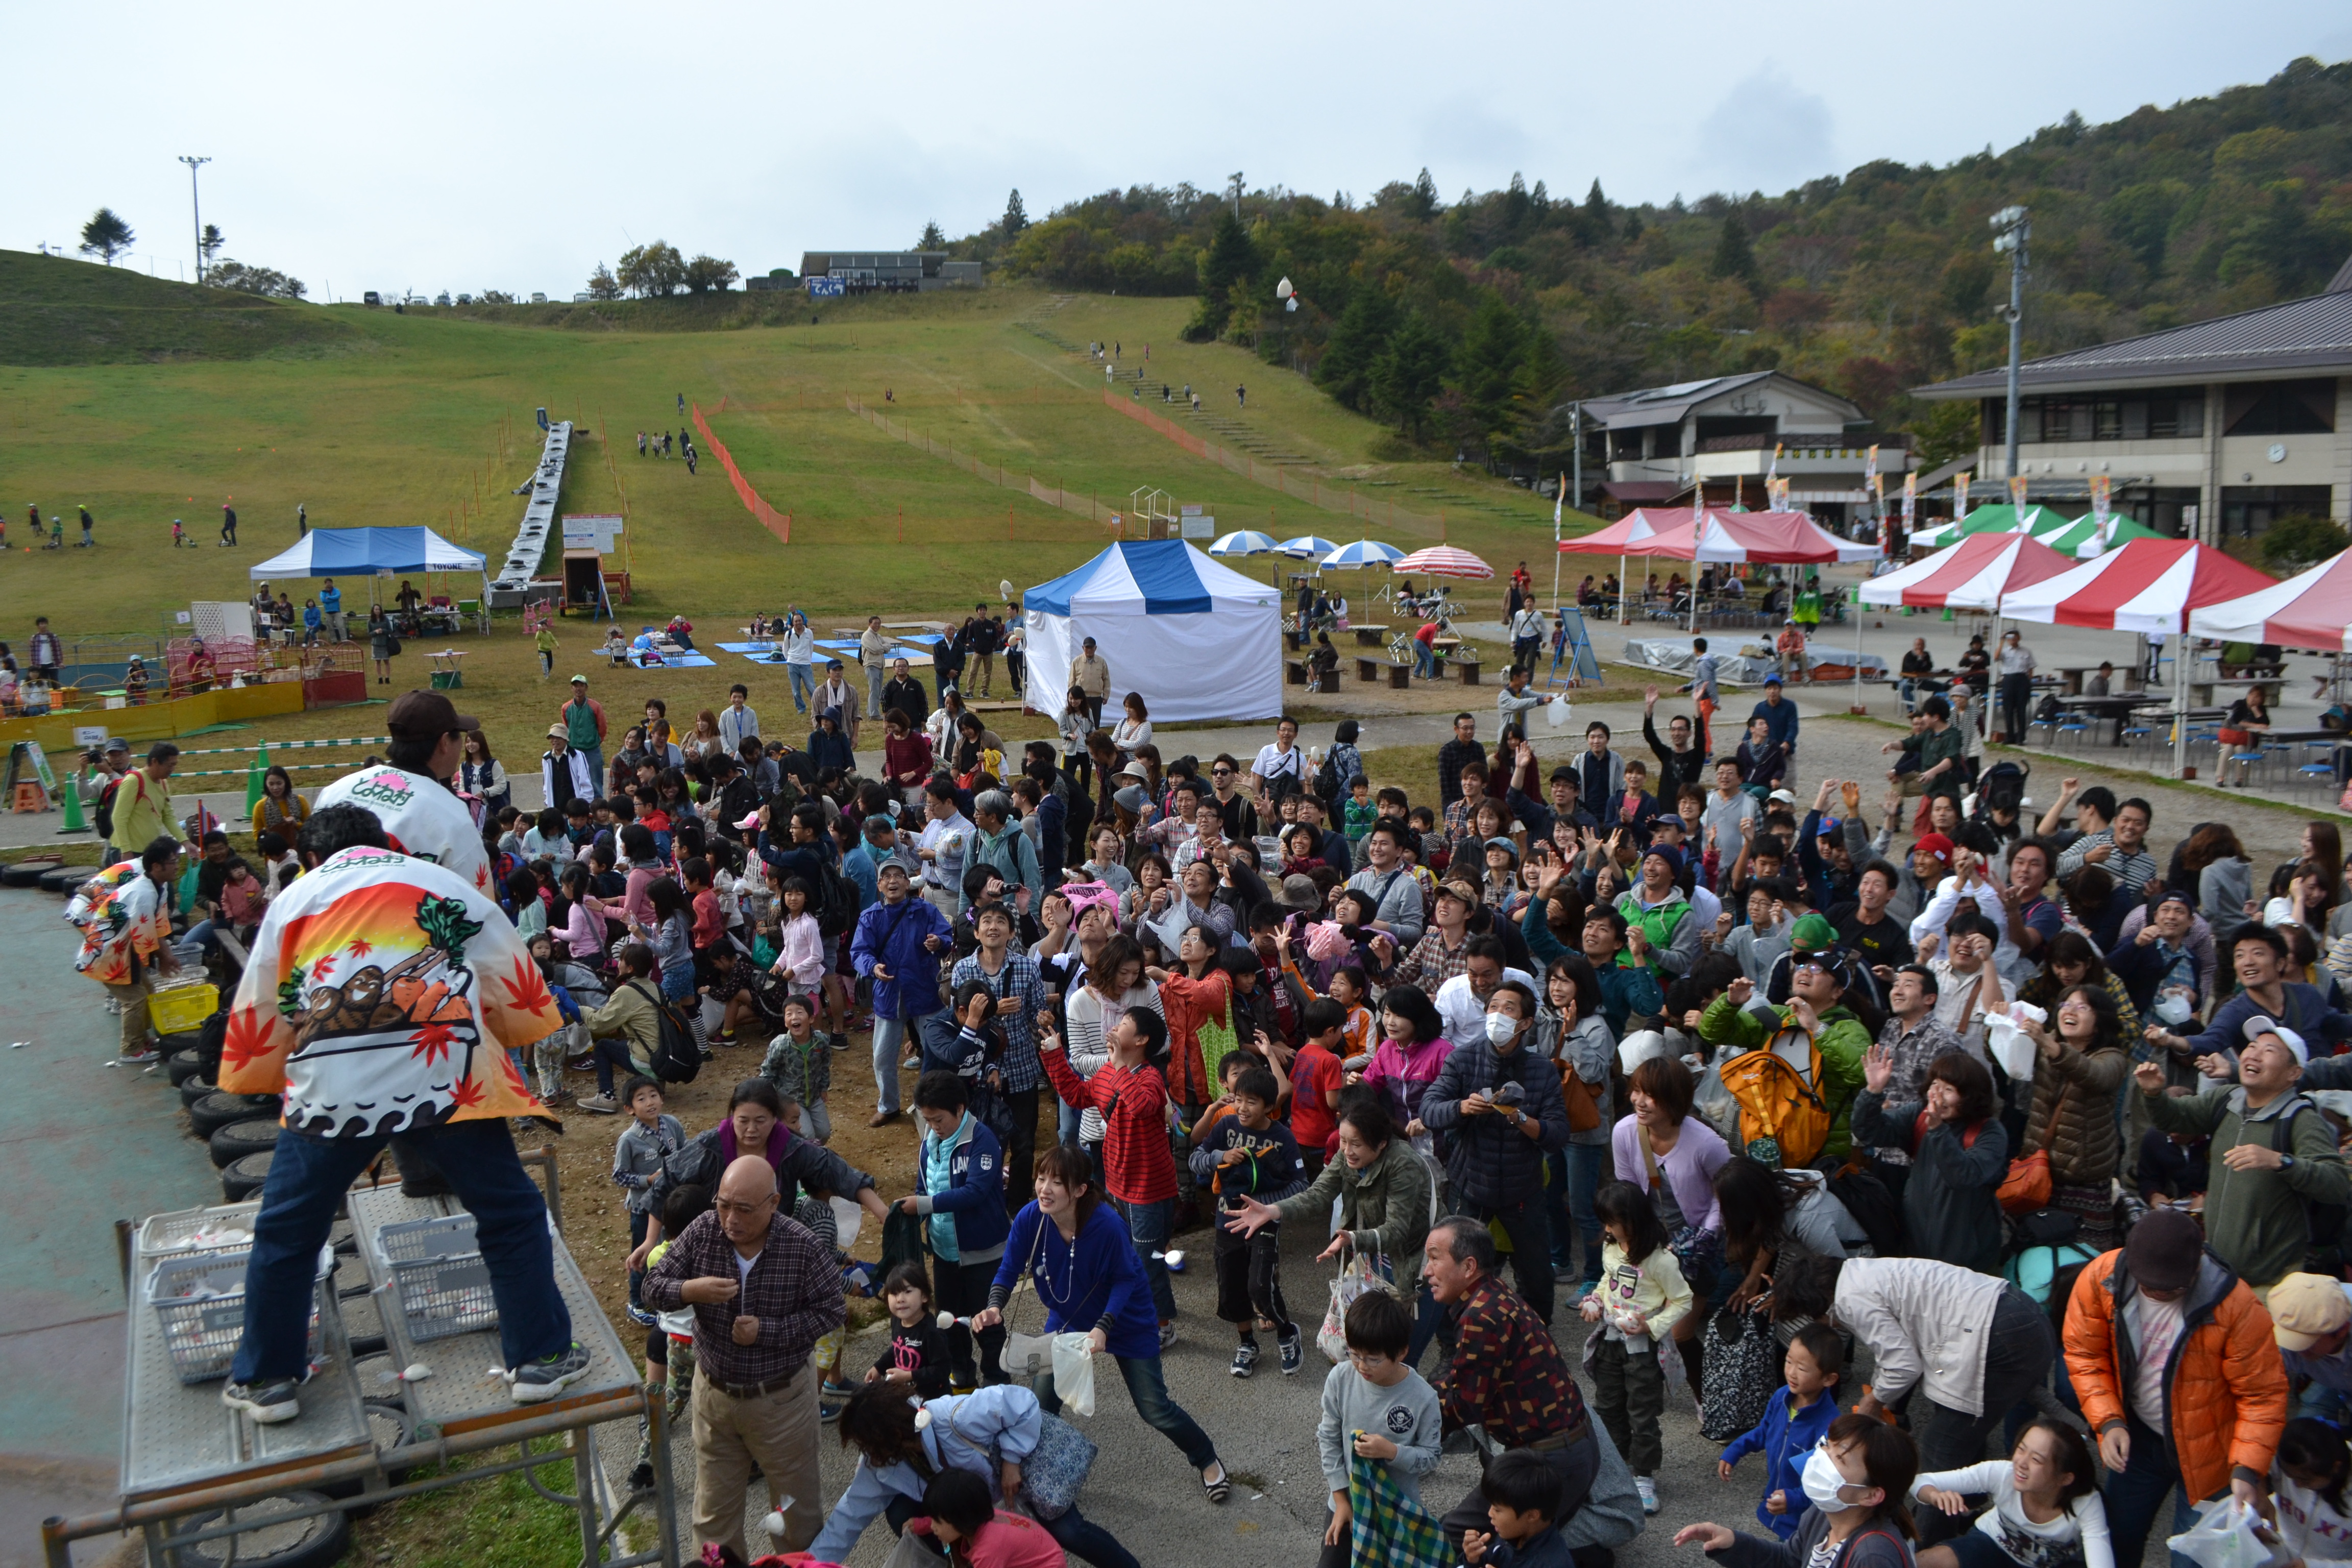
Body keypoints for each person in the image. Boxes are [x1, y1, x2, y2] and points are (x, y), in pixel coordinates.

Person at [216, 804, 585, 1426]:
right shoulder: (438, 884)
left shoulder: (296, 898)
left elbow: (262, 1003)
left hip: (334, 1090)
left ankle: (269, 1378)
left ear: (312, 855)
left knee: (288, 1229)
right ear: (385, 841)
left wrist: (271, 1074)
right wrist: (499, 1029)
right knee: (510, 1213)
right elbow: (512, 976)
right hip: (441, 1079)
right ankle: (540, 1358)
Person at [973, 1145, 1232, 1501]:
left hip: (1126, 1321)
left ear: (1080, 1190)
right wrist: (994, 1306)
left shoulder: (1107, 1225)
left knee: (1155, 1409)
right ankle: (1037, 1478)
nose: (1044, 1188)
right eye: (1041, 1178)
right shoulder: (1030, 1218)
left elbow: (1126, 1280)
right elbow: (1008, 1268)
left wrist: (1103, 1328)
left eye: (1057, 1182)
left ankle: (1207, 1460)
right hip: (1067, 1318)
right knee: (1042, 1404)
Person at [2062, 1206, 2288, 1568]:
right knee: (2117, 1538)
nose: (2156, 1294)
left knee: (2192, 1559)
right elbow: (2084, 1353)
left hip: (2212, 1452)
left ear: (2196, 1266)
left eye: (2171, 1288)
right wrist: (2108, 1421)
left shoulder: (2238, 1308)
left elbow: (2262, 1396)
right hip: (2137, 1439)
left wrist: (2247, 1470)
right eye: (2147, 1284)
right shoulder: (2102, 1277)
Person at [640, 1154, 843, 1557]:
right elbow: (652, 1286)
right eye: (723, 1204)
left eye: (744, 1209)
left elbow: (832, 1311)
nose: (730, 1218)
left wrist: (767, 1332)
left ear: (773, 1202)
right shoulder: (702, 1230)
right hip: (714, 1398)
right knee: (712, 1517)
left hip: (781, 1402)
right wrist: (690, 1290)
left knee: (794, 1515)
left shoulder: (801, 1246)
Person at [1784, 1253, 2053, 1495]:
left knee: (1941, 1448)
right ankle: (1970, 1503)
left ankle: (1930, 1540)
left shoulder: (1848, 1300)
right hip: (2018, 1308)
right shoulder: (1860, 1271)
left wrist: (1874, 1401)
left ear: (1820, 1303)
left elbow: (1903, 1364)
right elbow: (1898, 1348)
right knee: (1960, 1429)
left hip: (1999, 1332)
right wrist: (1893, 1405)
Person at [810, 1379, 1140, 1568]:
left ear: (892, 1435)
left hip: (1016, 1480)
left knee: (1070, 1532)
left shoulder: (955, 1415)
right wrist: (806, 1565)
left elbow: (1023, 1403)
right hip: (971, 1507)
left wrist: (1012, 1459)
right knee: (900, 1514)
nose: (866, 1452)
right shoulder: (881, 1461)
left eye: (868, 1443)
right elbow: (848, 1518)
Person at [1424, 1216, 1601, 1551]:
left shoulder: (1481, 1316)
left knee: (1453, 1539)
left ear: (1469, 1266)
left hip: (1550, 1464)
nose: (1426, 1271)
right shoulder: (1492, 1294)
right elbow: (1465, 1383)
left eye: (1434, 1258)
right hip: (1572, 1449)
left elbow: (1463, 1404)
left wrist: (1403, 1429)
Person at [2137, 1014, 2351, 1290]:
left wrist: (2280, 1161)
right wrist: (2154, 1095)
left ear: (2293, 1074)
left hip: (2270, 1282)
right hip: (2216, 1272)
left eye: (2269, 1051)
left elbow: (2335, 1184)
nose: (2255, 1054)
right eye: (2252, 1047)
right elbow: (2174, 1119)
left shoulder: (2301, 1119)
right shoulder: (2226, 1098)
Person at [1423, 978, 1570, 1324]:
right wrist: (1463, 1107)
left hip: (1523, 1188)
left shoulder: (1542, 1070)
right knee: (1454, 1267)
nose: (1497, 1016)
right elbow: (1430, 1110)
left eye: (1508, 1009)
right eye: (1492, 1007)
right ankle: (1453, 1344)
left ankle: (1535, 1337)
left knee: (1536, 1275)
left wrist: (1519, 1118)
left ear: (1525, 1023)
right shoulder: (1463, 1059)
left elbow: (1558, 1134)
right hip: (1470, 1180)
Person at [1673, 1413, 1921, 1568]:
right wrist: (1732, 1543)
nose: (1821, 1456)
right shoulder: (1823, 1514)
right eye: (1827, 1446)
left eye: (1840, 1459)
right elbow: (1789, 1561)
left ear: (1871, 1495)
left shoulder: (1873, 1557)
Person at [1581, 1180, 1693, 1514]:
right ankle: (1615, 1466)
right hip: (1610, 1342)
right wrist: (1596, 1300)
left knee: (1643, 1414)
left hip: (1643, 1350)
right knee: (1608, 1406)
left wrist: (1651, 1325)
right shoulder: (1612, 1247)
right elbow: (1608, 1279)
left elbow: (1682, 1300)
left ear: (1633, 1221)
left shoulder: (1661, 1262)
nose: (1607, 1228)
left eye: (1612, 1222)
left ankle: (1643, 1476)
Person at [1190, 1063, 1307, 1376]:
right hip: (1227, 1220)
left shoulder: (1283, 1138)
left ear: (1270, 1107)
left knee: (1260, 1285)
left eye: (1251, 1102)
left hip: (1265, 1222)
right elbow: (1195, 1161)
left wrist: (1264, 1207)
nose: (1241, 1108)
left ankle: (1286, 1334)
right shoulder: (1225, 1128)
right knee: (1231, 1285)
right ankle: (1247, 1344)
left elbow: (1301, 1185)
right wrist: (1220, 1157)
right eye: (1238, 1098)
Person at [1850, 1047, 2007, 1275]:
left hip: (1969, 1261)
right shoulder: (1919, 1115)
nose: (1937, 1095)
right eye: (1935, 1085)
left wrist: (1938, 1130)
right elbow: (1869, 1131)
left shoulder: (1990, 1133)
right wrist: (1873, 1092)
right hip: (1916, 1248)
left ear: (1970, 1097)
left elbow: (1964, 1176)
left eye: (1949, 1089)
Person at [1317, 1290, 1443, 1568]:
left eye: (1373, 1359)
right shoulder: (1341, 1378)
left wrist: (1392, 1452)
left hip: (1398, 1511)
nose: (1362, 1366)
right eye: (1354, 1354)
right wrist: (1340, 1499)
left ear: (1401, 1353)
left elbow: (1431, 1457)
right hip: (1347, 1504)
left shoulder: (1423, 1398)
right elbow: (1328, 1438)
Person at [902, 1069, 1009, 1389]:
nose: (933, 1127)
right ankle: (962, 1376)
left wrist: (924, 1206)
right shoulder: (930, 1141)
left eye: (938, 1120)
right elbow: (924, 1184)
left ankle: (997, 1382)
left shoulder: (983, 1141)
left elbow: (974, 1193)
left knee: (987, 1325)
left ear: (960, 1109)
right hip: (945, 1253)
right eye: (928, 1120)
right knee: (949, 1323)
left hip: (983, 1254)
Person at [1911, 1417, 2110, 1568]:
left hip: (2050, 1564)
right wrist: (1935, 1496)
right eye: (2021, 1449)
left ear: (2065, 1478)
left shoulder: (2087, 1503)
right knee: (1926, 1561)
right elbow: (1919, 1481)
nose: (2021, 1463)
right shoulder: (2003, 1473)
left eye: (2037, 1460)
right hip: (1991, 1543)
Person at [1718, 1324, 1847, 1540]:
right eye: (1789, 1361)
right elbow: (1765, 1432)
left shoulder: (1829, 1426)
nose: (1791, 1373)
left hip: (1804, 1517)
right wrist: (1735, 1449)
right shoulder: (1781, 1397)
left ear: (1829, 1379)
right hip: (1780, 1499)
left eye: (1803, 1369)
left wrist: (1795, 1500)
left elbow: (1827, 1483)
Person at [852, 859, 954, 1126]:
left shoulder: (926, 911)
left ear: (909, 884)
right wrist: (873, 968)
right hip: (888, 994)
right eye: (887, 877)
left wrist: (939, 942)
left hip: (925, 991)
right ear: (879, 885)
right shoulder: (870, 916)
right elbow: (859, 952)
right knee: (883, 1057)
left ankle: (934, 1106)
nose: (893, 881)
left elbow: (948, 940)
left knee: (935, 1052)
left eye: (899, 875)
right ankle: (889, 1105)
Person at [70, 836, 185, 1062]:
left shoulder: (158, 887)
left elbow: (159, 924)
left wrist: (167, 955)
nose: (177, 866)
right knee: (135, 998)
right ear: (156, 866)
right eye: (173, 862)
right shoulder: (144, 893)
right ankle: (131, 1049)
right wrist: (163, 959)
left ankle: (141, 1038)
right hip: (107, 954)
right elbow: (145, 938)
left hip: (122, 951)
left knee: (147, 990)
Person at [612, 1075, 687, 1326]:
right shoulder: (629, 1139)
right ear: (629, 1109)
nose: (650, 1102)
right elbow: (619, 1175)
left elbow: (685, 1154)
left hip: (671, 1203)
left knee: (667, 1249)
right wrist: (648, 1180)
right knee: (642, 1252)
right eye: (641, 1099)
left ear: (662, 1098)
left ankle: (660, 1296)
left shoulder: (673, 1125)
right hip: (642, 1207)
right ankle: (636, 1302)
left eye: (654, 1095)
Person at [107, 741, 179, 865]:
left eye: (174, 765)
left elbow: (168, 816)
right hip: (128, 852)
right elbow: (118, 818)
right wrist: (126, 851)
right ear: (155, 762)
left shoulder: (163, 782)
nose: (172, 769)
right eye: (170, 765)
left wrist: (186, 842)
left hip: (150, 851)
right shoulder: (133, 781)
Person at [1070, 637, 1111, 728]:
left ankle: (1094, 741)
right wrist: (1072, 697)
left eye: (1091, 648)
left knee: (1095, 723)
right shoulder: (1076, 662)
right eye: (1087, 648)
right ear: (1083, 648)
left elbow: (1106, 679)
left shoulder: (1101, 662)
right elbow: (1072, 680)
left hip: (1097, 698)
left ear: (1095, 648)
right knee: (1081, 722)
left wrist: (1106, 695)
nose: (1089, 650)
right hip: (1082, 698)